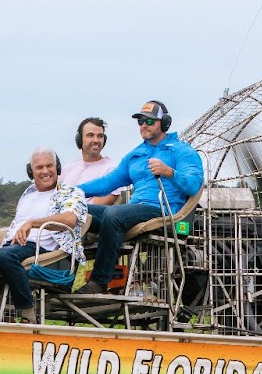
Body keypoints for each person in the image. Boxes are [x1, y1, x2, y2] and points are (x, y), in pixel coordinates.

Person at [0, 148, 87, 324]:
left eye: (49, 166)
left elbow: (70, 218)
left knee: (6, 255)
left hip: (43, 251)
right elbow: (14, 230)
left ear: (57, 167)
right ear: (31, 172)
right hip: (13, 247)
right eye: (39, 167)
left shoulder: (71, 192)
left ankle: (27, 312)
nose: (45, 171)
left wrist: (32, 223)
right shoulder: (28, 194)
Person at [76, 100, 204, 292]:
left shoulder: (181, 151)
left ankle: (100, 282)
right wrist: (74, 191)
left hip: (162, 209)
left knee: (114, 215)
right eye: (140, 121)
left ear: (165, 123)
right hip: (135, 209)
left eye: (150, 121)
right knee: (78, 212)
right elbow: (108, 183)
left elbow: (194, 185)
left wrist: (169, 172)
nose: (144, 125)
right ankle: (59, 278)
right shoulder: (136, 154)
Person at [65, 117, 120, 206]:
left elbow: (96, 208)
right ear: (79, 139)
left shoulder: (111, 171)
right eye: (90, 135)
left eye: (100, 136)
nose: (96, 140)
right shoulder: (66, 169)